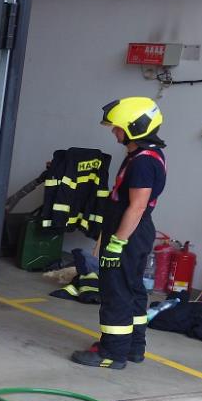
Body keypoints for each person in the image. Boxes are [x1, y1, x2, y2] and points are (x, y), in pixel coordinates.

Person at [72, 96, 168, 369]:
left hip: (127, 235)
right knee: (133, 289)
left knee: (116, 292)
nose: (114, 132)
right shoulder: (145, 155)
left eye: (118, 127)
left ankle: (111, 353)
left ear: (135, 127)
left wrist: (116, 243)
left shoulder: (141, 162)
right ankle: (134, 347)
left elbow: (136, 207)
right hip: (133, 234)